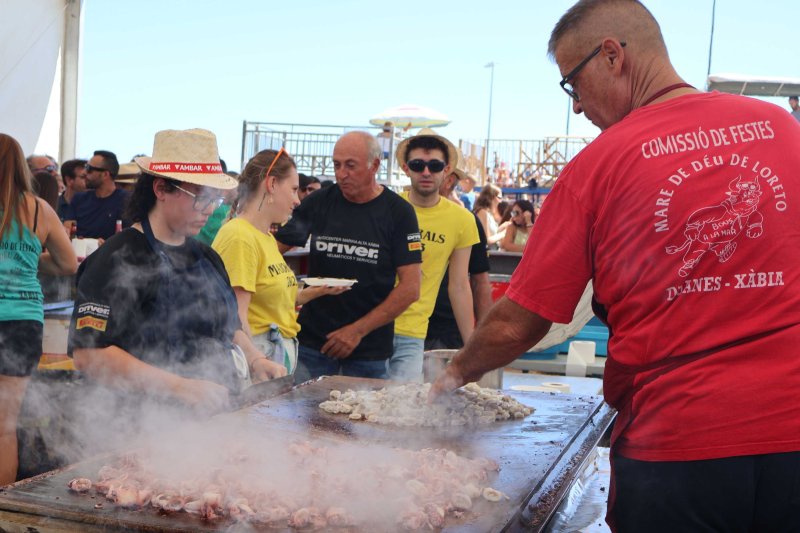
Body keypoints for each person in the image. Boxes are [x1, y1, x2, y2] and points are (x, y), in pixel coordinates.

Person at [431, 1, 800, 531]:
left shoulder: (598, 164)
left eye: (571, 86)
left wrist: (457, 372)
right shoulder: (783, 129)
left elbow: (521, 320)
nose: (576, 108)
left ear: (611, 56)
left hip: (677, 445)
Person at [68, 129, 286, 421]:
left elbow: (228, 325)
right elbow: (89, 356)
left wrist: (255, 358)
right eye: (201, 197)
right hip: (138, 425)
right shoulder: (115, 259)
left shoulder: (207, 257)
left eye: (216, 199)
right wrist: (181, 387)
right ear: (160, 189)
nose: (210, 209)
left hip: (210, 420)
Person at [275, 131, 421, 381]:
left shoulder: (399, 213)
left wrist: (356, 331)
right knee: (303, 419)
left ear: (374, 165)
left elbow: (411, 288)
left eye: (350, 166)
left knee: (362, 418)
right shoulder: (319, 202)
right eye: (336, 165)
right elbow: (273, 250)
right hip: (313, 343)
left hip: (369, 349)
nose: (341, 174)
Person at [213, 149, 347, 375]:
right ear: (272, 184)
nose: (297, 200)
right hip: (258, 363)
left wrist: (319, 290)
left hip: (272, 357)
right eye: (294, 190)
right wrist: (254, 366)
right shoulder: (240, 236)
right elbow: (235, 317)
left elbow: (274, 295)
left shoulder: (264, 236)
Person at [0, 133, 77, 484]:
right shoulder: (38, 209)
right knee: (4, 427)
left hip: (17, 322)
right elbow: (67, 263)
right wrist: (29, 261)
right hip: (21, 323)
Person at [389, 130, 478, 381]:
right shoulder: (388, 207)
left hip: (412, 333)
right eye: (418, 165)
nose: (426, 172)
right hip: (373, 329)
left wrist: (471, 347)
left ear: (446, 170)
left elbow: (460, 285)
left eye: (434, 165)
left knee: (400, 409)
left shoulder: (462, 219)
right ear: (407, 169)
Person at [425, 168, 493, 351]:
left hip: (446, 331)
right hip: (397, 328)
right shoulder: (398, 212)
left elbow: (480, 282)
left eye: (433, 167)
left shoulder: (466, 221)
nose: (424, 173)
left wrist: (482, 338)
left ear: (449, 181)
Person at [63, 150, 130, 239]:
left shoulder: (126, 200)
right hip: (79, 251)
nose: (85, 173)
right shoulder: (79, 198)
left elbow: (127, 237)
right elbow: (67, 231)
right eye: (86, 167)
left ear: (105, 174)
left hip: (110, 252)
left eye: (89, 169)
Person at [473, 183, 505, 248]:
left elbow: (491, 233)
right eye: (499, 198)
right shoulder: (482, 213)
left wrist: (503, 227)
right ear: (491, 198)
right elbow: (486, 240)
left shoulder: (488, 213)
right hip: (488, 254)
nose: (500, 201)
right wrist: (503, 233)